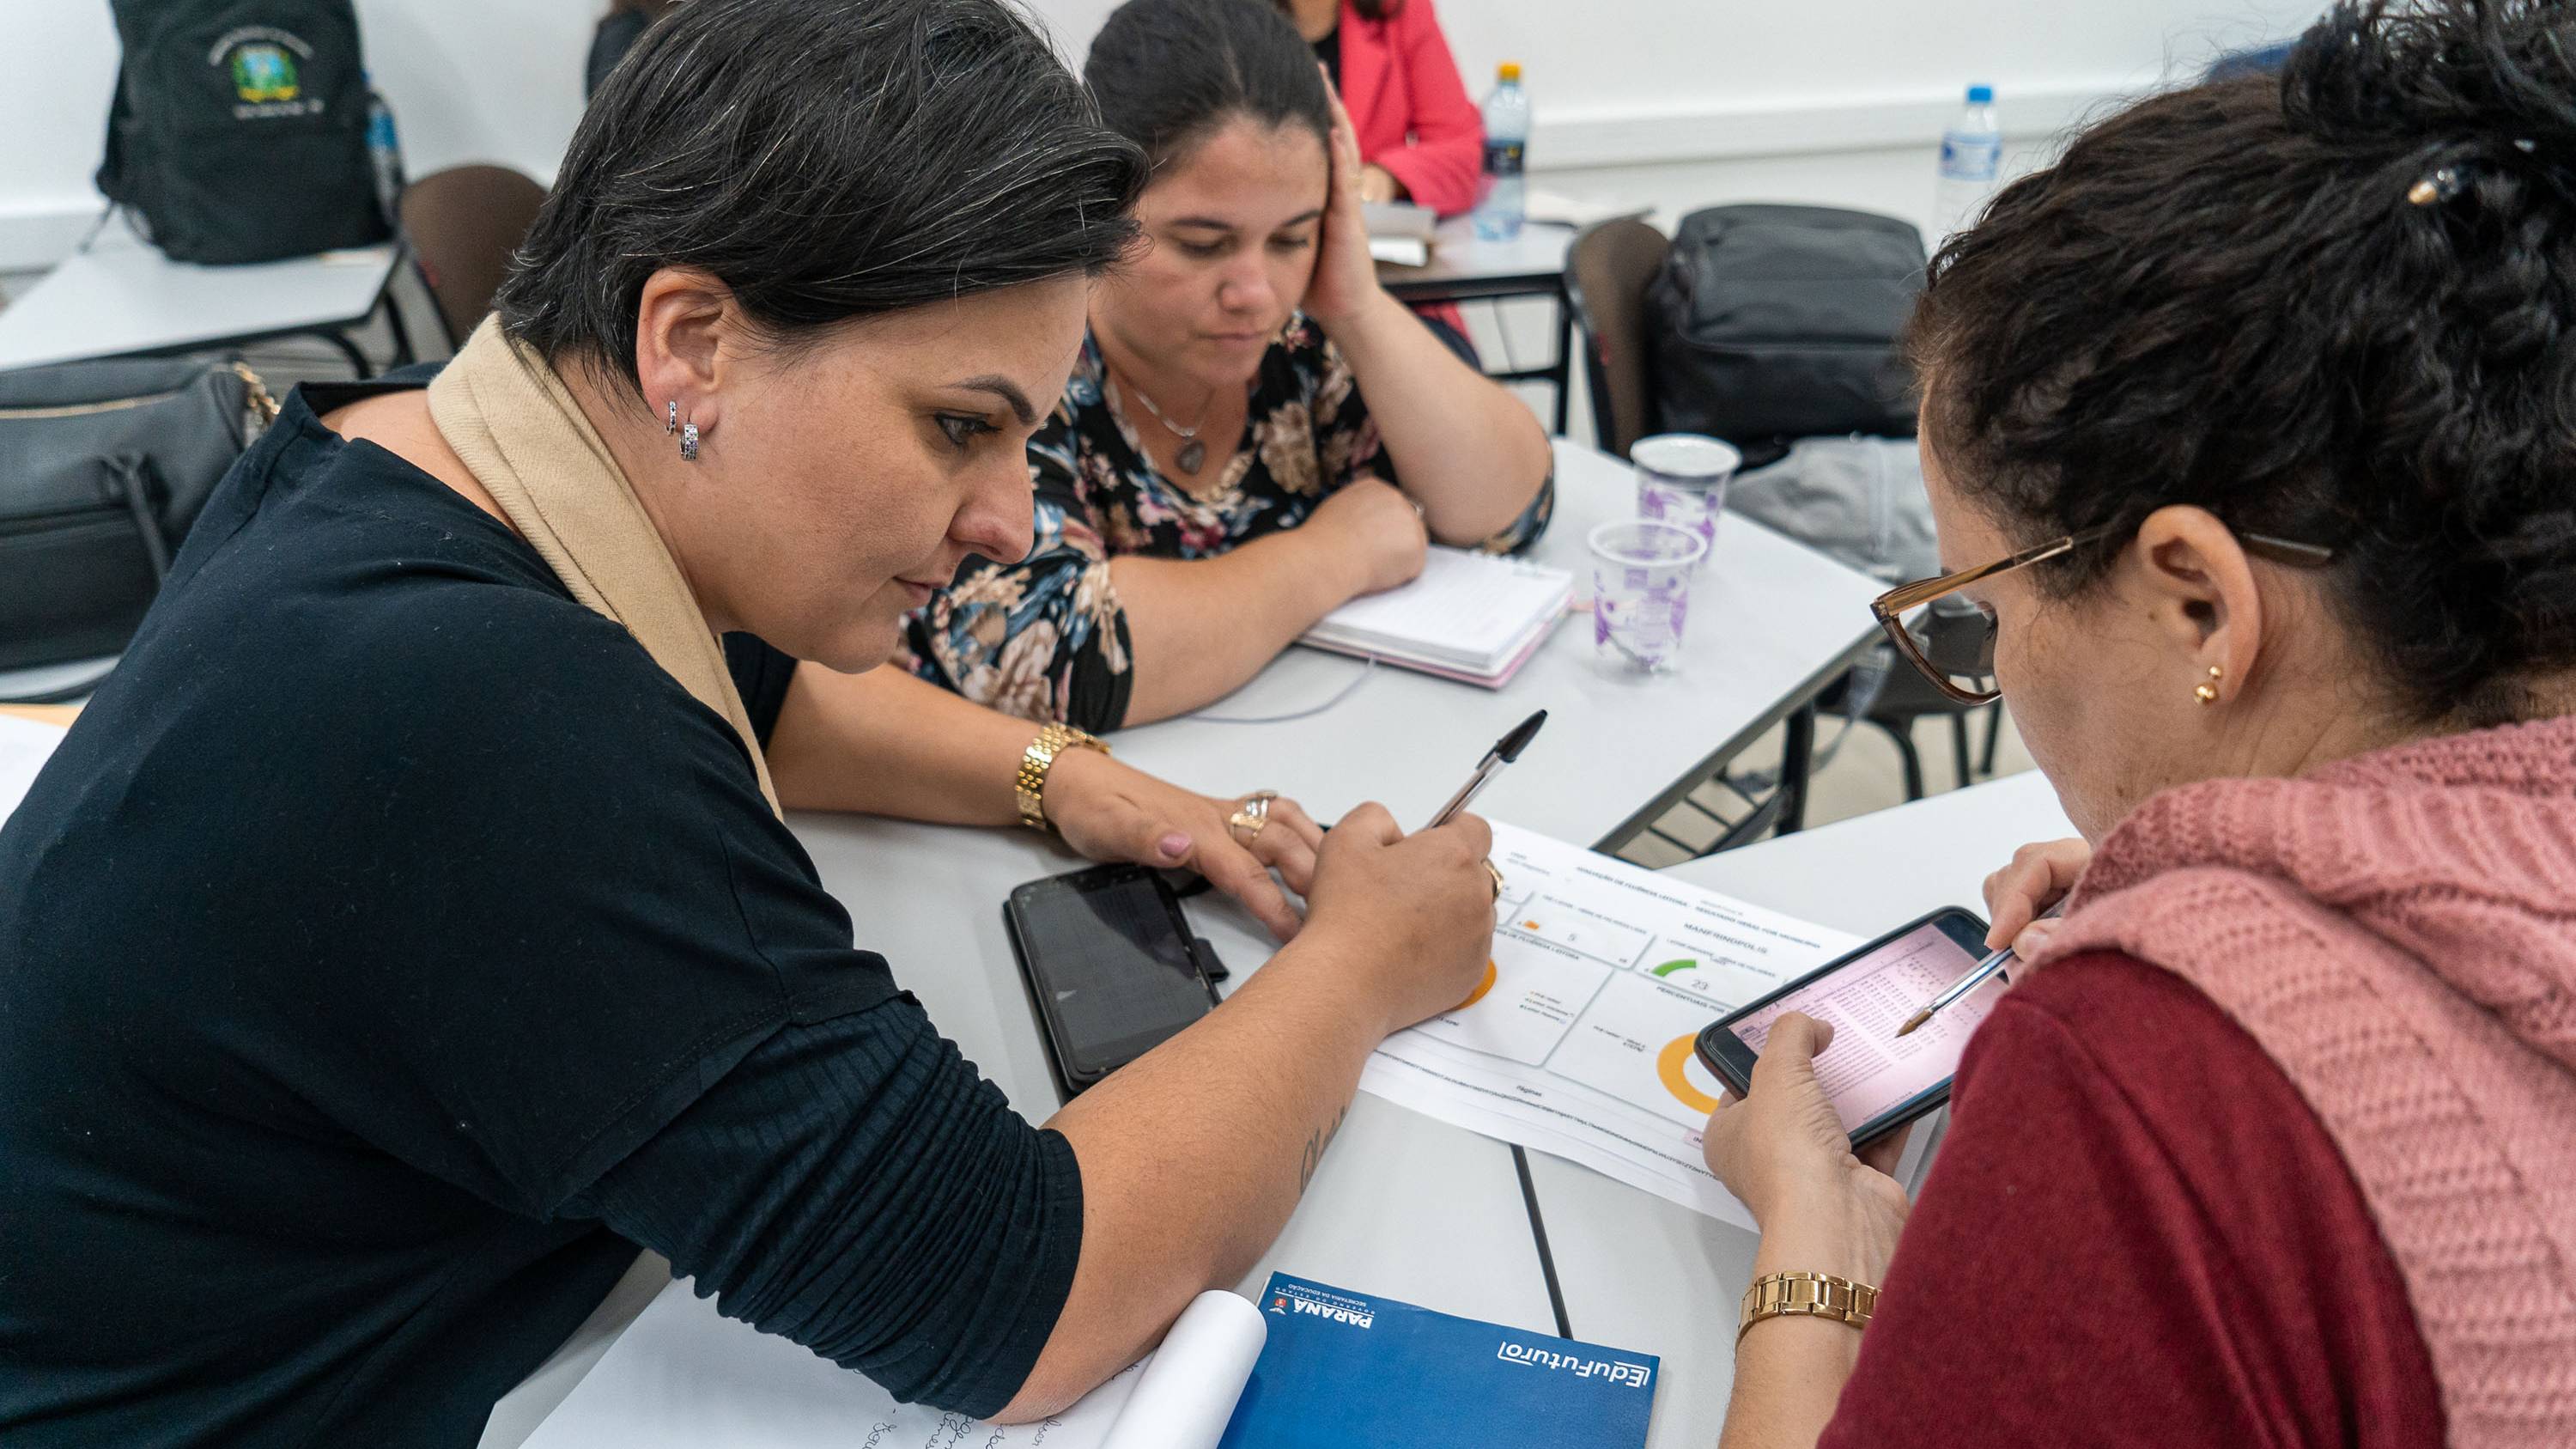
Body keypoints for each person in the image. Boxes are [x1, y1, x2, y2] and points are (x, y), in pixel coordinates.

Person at [0, 3, 1501, 1444]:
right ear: (695, 343)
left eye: (1032, 435)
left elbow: (775, 700)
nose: (1004, 520)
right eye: (963, 425)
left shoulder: (414, 439)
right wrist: (1366, 961)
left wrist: (1075, 780)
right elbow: (1027, 1296)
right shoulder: (506, 724)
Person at [1700, 2, 2576, 1445]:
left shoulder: (2148, 1069)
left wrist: (1816, 1253)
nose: (1989, 659)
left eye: (1979, 599)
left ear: (2199, 606)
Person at [905, 0, 1553, 732]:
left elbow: (1511, 512)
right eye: (1203, 244)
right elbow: (1055, 655)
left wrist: (1359, 306)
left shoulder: (1307, 344)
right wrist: (1333, 555)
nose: (1254, 294)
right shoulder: (1023, 359)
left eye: (1290, 239)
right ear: (1101, 206)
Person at [1271, 0, 1483, 216]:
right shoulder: (1236, 20)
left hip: (1362, 236)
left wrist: (1388, 177)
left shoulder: (1399, 9)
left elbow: (1465, 153)